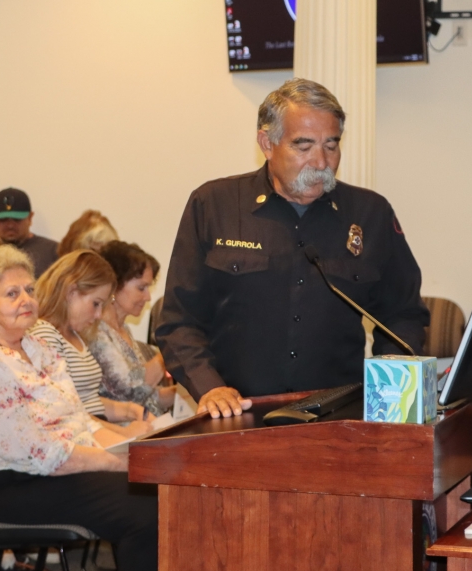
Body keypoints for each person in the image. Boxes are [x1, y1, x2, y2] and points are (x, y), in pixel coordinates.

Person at [156, 78, 430, 419]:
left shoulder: (369, 213)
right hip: (236, 416)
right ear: (267, 143)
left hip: (338, 420)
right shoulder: (214, 205)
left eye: (331, 145)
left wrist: (393, 388)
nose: (320, 162)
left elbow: (403, 313)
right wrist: (209, 387)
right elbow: (179, 319)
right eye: (303, 146)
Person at [0, 245, 157, 571]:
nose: (26, 300)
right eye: (11, 293)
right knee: (144, 510)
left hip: (53, 472)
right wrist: (116, 463)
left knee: (159, 493)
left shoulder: (38, 347)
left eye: (30, 290)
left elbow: (80, 419)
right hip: (6, 484)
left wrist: (131, 452)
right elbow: (41, 452)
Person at [28, 251, 150, 437]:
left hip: (94, 431)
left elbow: (88, 401)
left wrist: (129, 410)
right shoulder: (45, 334)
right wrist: (125, 434)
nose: (99, 315)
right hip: (81, 436)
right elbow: (66, 413)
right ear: (71, 292)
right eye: (96, 303)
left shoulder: (75, 334)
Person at [91, 241, 174, 416]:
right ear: (115, 285)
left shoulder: (123, 329)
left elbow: (148, 397)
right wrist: (171, 348)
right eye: (141, 288)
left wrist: (189, 392)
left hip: (145, 427)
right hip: (122, 434)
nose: (148, 297)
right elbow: (131, 391)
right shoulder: (97, 333)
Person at [0, 188, 58, 275]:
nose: (10, 225)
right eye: (3, 219)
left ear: (30, 218)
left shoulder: (53, 251)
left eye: (17, 219)